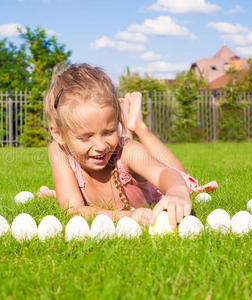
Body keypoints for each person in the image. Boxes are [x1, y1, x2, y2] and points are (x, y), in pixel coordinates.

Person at [39, 63, 216, 228]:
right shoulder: (59, 151)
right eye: (86, 137)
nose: (100, 146)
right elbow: (73, 210)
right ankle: (125, 126)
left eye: (109, 131)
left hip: (153, 187)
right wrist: (126, 217)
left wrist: (177, 192)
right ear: (59, 134)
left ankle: (138, 127)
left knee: (181, 175)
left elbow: (164, 173)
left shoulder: (127, 152)